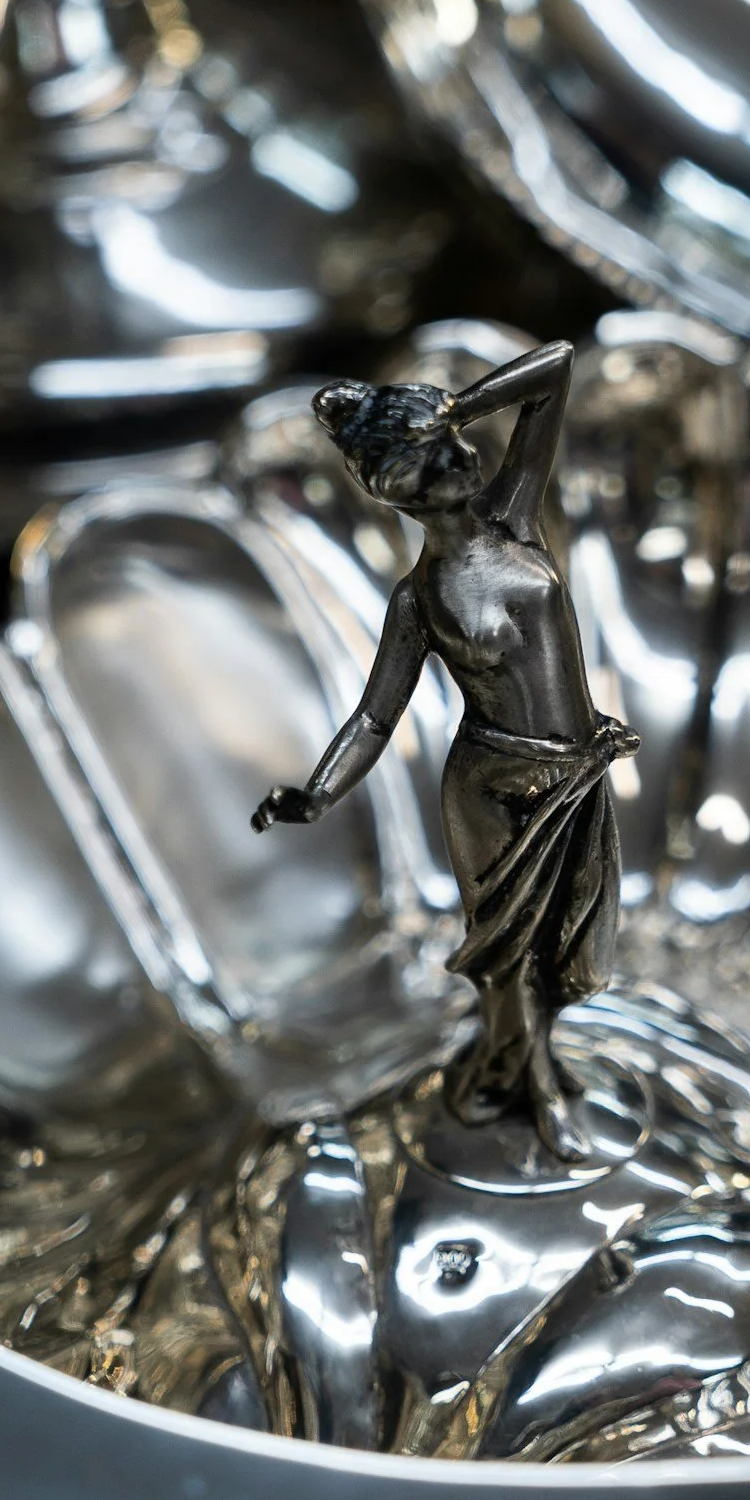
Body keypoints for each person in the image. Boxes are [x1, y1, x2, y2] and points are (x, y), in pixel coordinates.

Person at [252, 341, 638, 1158]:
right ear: (401, 488)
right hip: (493, 790)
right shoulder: (419, 598)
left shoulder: (515, 519)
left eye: (455, 445)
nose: (463, 457)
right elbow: (373, 720)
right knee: (511, 960)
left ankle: (513, 1068)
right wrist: (316, 794)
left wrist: (459, 405)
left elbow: (556, 369)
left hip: (576, 778)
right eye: (438, 455)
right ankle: (538, 1092)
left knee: (574, 944)